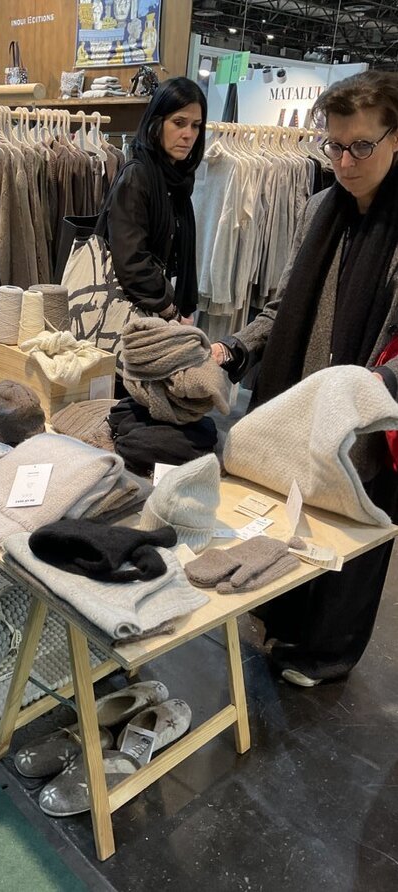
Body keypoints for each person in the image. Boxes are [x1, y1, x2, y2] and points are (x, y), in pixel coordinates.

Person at [211, 70, 398, 687]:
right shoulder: (319, 209)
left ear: (396, 138)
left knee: (354, 535)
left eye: (361, 146)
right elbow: (280, 306)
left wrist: (370, 392)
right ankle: (283, 619)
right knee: (291, 515)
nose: (344, 162)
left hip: (366, 413)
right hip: (298, 401)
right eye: (334, 146)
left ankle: (327, 652)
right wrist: (235, 347)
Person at [97, 76, 207, 323]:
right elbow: (131, 262)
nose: (188, 134)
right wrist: (171, 312)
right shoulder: (138, 177)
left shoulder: (177, 184)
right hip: (132, 317)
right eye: (179, 123)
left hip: (156, 313)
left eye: (196, 126)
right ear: (156, 123)